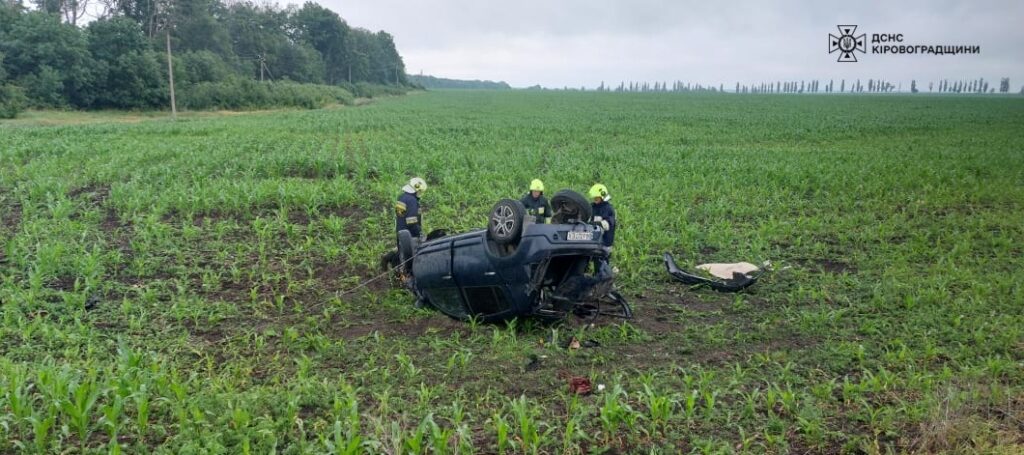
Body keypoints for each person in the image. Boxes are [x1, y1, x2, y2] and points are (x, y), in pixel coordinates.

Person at [589, 183, 617, 275]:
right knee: (596, 261)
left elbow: (607, 225)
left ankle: (605, 280)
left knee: (603, 263)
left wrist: (594, 224)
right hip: (595, 240)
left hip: (605, 241)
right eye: (594, 197)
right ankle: (597, 277)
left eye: (597, 197)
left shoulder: (608, 209)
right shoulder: (593, 207)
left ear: (602, 196)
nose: (595, 199)